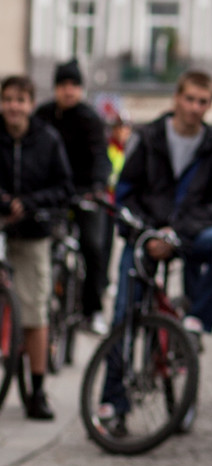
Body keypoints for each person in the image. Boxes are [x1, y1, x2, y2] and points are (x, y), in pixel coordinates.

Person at [113, 70, 212, 342]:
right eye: (190, 99)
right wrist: (147, 233)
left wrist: (177, 232)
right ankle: (115, 383)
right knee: (123, 317)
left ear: (210, 105)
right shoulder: (148, 137)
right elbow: (125, 193)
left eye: (202, 102)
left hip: (189, 233)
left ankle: (197, 320)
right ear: (176, 99)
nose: (195, 108)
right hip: (145, 234)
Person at [0, 75, 74, 420]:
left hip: (32, 232)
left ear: (30, 104)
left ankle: (38, 390)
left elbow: (63, 186)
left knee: (34, 313)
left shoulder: (47, 139)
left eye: (20, 99)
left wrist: (29, 203)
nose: (13, 106)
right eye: (8, 99)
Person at [34, 59, 113, 335]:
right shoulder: (42, 115)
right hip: (52, 193)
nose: (69, 91)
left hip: (84, 192)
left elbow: (102, 157)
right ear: (55, 87)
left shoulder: (90, 118)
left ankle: (93, 310)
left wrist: (99, 184)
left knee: (93, 246)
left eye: (74, 85)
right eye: (64, 85)